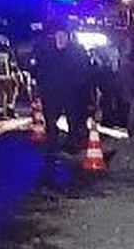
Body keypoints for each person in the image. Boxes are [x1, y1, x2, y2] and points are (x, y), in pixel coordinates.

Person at [34, 22, 92, 155]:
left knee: (73, 119)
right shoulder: (47, 52)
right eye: (58, 35)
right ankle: (52, 143)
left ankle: (72, 143)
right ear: (54, 36)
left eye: (63, 36)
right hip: (52, 93)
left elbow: (84, 71)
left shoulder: (77, 51)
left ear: (68, 37)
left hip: (71, 93)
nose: (60, 38)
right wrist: (42, 88)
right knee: (51, 119)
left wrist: (80, 90)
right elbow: (40, 70)